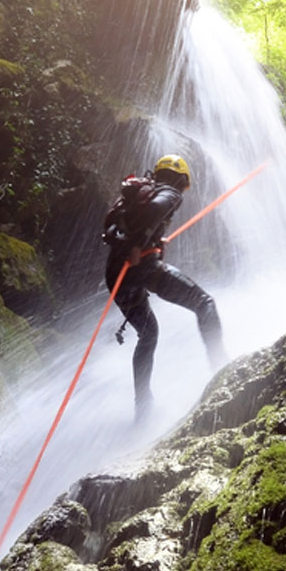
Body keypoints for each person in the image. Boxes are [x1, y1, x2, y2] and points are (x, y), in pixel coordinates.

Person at [103, 154, 226, 420]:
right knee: (204, 304)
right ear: (180, 178)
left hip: (116, 277)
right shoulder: (169, 192)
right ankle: (224, 371)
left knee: (148, 335)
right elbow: (153, 211)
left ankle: (143, 406)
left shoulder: (130, 198)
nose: (182, 191)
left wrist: (151, 240)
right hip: (142, 268)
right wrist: (139, 244)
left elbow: (110, 230)